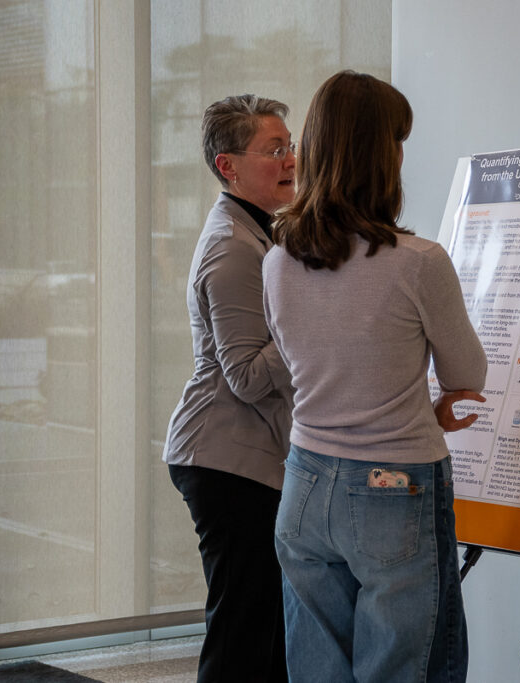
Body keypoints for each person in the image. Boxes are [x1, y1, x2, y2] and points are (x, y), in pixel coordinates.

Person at [262, 71, 487, 683]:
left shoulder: (279, 259)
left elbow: (303, 360)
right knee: (408, 669)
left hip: (305, 480)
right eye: (398, 140)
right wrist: (431, 402)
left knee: (318, 669)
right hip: (396, 486)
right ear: (381, 155)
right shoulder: (419, 263)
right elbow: (467, 373)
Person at [162, 94, 296, 682]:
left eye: (290, 146)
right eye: (273, 150)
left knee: (269, 630)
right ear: (228, 167)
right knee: (243, 631)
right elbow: (244, 376)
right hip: (224, 457)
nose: (291, 159)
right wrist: (309, 322)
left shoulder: (263, 232)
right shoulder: (233, 249)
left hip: (248, 456)